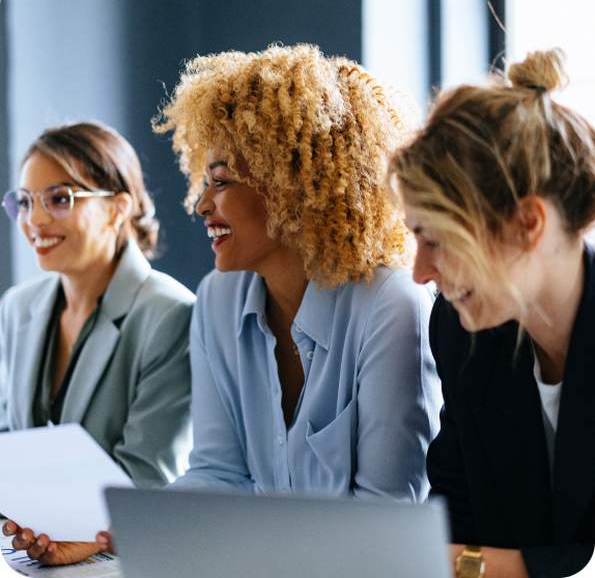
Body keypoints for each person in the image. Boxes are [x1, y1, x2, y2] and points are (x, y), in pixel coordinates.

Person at [151, 43, 442, 498]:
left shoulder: (391, 307)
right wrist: (114, 531)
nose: (203, 204)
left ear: (290, 186)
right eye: (206, 183)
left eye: (222, 181)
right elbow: (218, 474)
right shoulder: (215, 299)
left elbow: (385, 515)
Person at [389, 49, 595, 578]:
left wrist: (481, 567)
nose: (420, 272)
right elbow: (454, 520)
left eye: (437, 240)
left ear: (527, 223)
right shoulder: (460, 333)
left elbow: (460, 558)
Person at [0, 121, 195, 564]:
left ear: (117, 208)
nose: (35, 220)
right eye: (26, 202)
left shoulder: (170, 314)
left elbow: (149, 476)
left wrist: (80, 539)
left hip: (127, 558)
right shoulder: (17, 308)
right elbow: (10, 444)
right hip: (31, 555)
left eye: (59, 199)